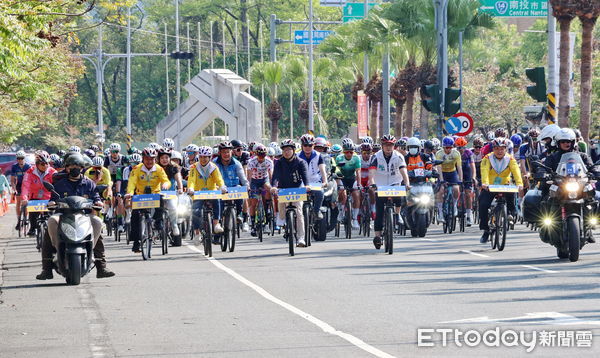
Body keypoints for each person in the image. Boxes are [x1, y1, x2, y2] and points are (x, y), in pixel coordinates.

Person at [36, 153, 115, 280]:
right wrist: (52, 203)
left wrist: (98, 202)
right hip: (63, 215)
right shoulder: (60, 184)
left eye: (77, 165)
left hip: (84, 216)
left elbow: (96, 197)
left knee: (97, 222)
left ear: (82, 167)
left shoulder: (89, 184)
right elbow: (53, 199)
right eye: (71, 166)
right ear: (66, 168)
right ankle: (47, 267)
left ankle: (101, 266)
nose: (74, 168)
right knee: (51, 221)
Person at [125, 147, 171, 252]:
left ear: (155, 159)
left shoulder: (159, 169)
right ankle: (136, 242)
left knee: (162, 204)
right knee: (135, 216)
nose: (149, 161)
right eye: (147, 159)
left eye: (152, 159)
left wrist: (165, 184)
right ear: (143, 159)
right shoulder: (136, 169)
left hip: (155, 194)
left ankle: (157, 222)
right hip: (140, 195)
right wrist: (130, 193)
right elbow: (132, 182)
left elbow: (166, 180)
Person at [478, 137, 523, 243]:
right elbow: (484, 171)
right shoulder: (487, 158)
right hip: (490, 186)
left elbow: (516, 172)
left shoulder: (510, 159)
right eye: (497, 148)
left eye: (502, 149)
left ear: (506, 149)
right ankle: (485, 230)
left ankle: (510, 215)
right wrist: (485, 183)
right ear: (493, 149)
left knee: (511, 197)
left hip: (505, 185)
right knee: (483, 203)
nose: (499, 151)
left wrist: (519, 184)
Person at [369, 134, 410, 249]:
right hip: (380, 185)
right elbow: (372, 172)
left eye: (391, 145)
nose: (388, 148)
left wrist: (407, 183)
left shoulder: (399, 156)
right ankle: (377, 236)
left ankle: (397, 215)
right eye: (386, 145)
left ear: (394, 146)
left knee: (399, 197)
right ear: (382, 146)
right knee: (379, 212)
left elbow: (403, 171)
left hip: (394, 182)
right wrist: (372, 183)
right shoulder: (376, 157)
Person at [270, 139, 310, 247]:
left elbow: (305, 175)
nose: (286, 152)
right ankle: (282, 220)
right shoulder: (279, 162)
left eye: (289, 149)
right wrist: (273, 186)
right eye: (284, 150)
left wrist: (307, 185)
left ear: (293, 150)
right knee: (281, 207)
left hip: (297, 189)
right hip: (283, 189)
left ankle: (301, 238)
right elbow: (275, 176)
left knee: (299, 212)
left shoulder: (300, 162)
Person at [188, 146, 226, 239]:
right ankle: (197, 233)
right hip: (198, 193)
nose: (203, 159)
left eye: (205, 157)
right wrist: (191, 188)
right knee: (196, 210)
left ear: (210, 157)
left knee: (217, 201)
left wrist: (222, 187)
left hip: (211, 192)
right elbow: (191, 180)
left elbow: (219, 179)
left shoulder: (213, 167)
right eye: (201, 157)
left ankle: (216, 223)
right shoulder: (194, 167)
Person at [214, 141, 249, 231]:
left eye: (228, 152)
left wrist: (247, 186)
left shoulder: (237, 163)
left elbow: (243, 178)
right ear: (220, 153)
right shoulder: (214, 163)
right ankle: (218, 226)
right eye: (223, 152)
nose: (226, 154)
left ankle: (239, 215)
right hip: (220, 190)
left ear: (231, 152)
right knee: (218, 207)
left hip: (233, 188)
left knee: (240, 188)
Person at [21, 151, 57, 236]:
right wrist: (24, 198)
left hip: (49, 198)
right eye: (42, 164)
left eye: (47, 163)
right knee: (33, 213)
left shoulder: (53, 172)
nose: (45, 166)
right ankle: (32, 228)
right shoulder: (29, 172)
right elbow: (25, 186)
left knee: (50, 216)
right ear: (37, 164)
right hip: (35, 197)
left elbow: (58, 186)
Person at [298, 134, 327, 220]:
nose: (307, 147)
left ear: (313, 145)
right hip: (301, 182)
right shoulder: (297, 155)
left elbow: (322, 169)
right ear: (302, 145)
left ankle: (316, 211)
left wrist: (325, 181)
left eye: (310, 145)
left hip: (315, 182)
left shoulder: (318, 155)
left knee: (320, 193)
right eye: (305, 145)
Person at [246, 143, 273, 236]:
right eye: (259, 155)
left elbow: (271, 175)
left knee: (268, 191)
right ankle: (253, 225)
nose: (261, 157)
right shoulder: (251, 162)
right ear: (256, 154)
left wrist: (272, 187)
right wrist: (248, 186)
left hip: (264, 180)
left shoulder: (269, 162)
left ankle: (267, 222)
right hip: (254, 181)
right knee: (254, 202)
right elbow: (249, 176)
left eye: (263, 155)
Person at [434, 137, 463, 223]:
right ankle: (440, 213)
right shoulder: (439, 154)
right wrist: (442, 180)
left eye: (450, 147)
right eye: (446, 147)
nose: (448, 149)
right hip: (442, 173)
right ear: (443, 147)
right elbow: (438, 168)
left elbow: (459, 167)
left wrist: (460, 179)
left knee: (456, 189)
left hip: (452, 173)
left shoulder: (456, 153)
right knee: (441, 191)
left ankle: (454, 205)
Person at [335, 139, 362, 229]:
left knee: (356, 194)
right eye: (347, 152)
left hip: (352, 178)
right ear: (344, 151)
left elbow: (358, 172)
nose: (349, 154)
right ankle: (340, 211)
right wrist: (339, 183)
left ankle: (354, 219)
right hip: (342, 178)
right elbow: (337, 171)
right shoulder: (339, 158)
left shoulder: (356, 158)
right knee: (342, 191)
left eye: (351, 152)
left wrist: (358, 184)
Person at [157, 147, 183, 239]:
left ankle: (174, 225)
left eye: (166, 158)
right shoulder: (155, 167)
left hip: (171, 192)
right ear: (158, 159)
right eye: (162, 158)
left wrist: (180, 188)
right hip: (157, 193)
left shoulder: (174, 167)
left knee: (173, 207)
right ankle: (155, 227)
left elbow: (178, 178)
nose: (164, 160)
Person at [456, 137, 476, 225]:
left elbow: (472, 166)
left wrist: (474, 177)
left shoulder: (469, 153)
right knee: (456, 190)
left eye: (463, 147)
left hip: (467, 172)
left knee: (468, 194)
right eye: (459, 148)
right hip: (456, 172)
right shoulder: (454, 153)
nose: (461, 149)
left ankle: (469, 214)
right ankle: (455, 208)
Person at [11, 150, 31, 230]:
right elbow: (12, 181)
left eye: (21, 158)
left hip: (27, 185)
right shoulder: (14, 167)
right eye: (18, 158)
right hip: (19, 185)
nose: (20, 160)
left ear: (24, 158)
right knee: (18, 202)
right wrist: (14, 189)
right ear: (17, 159)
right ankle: (19, 220)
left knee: (26, 202)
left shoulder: (28, 166)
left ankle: (26, 217)